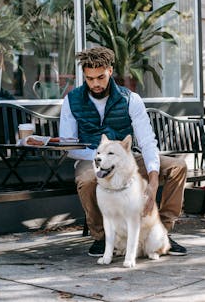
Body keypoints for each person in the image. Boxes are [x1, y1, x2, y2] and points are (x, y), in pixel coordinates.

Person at [59, 46, 188, 257]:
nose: (96, 83)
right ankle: (101, 238)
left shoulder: (131, 99)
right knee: (87, 179)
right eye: (90, 79)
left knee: (177, 167)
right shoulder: (71, 101)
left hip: (128, 158)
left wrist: (154, 181)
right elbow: (70, 146)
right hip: (92, 158)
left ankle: (161, 232)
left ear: (110, 70)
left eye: (100, 77)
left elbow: (147, 142)